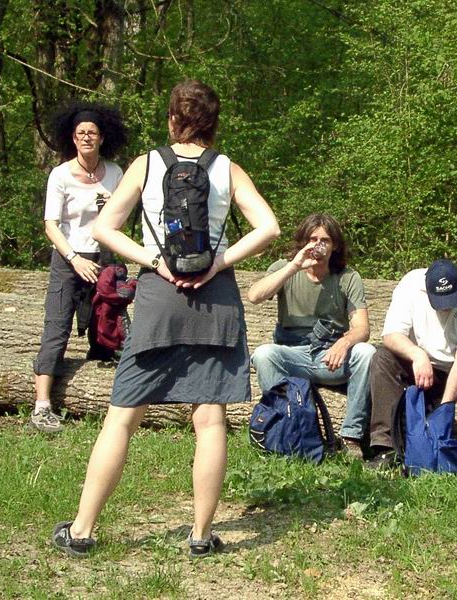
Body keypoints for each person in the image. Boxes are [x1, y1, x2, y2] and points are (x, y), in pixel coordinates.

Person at [51, 80, 280, 558]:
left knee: (122, 417)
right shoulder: (227, 168)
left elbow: (103, 228)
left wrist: (154, 262)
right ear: (213, 123)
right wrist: (218, 263)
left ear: (173, 119)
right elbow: (269, 227)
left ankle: (82, 531)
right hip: (215, 298)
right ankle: (200, 536)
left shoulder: (147, 164)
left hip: (159, 296)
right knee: (210, 419)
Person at [31, 102, 127, 433]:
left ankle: (104, 402)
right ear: (72, 138)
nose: (86, 137)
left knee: (107, 327)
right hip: (68, 259)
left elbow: (121, 218)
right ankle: (41, 406)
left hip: (104, 257)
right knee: (56, 328)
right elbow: (51, 225)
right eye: (81, 133)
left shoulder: (115, 173)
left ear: (103, 138)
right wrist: (74, 258)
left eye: (92, 133)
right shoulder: (60, 175)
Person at [367, 258, 457, 478]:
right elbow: (391, 335)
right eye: (439, 301)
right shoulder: (410, 285)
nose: (445, 307)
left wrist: (443, 412)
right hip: (423, 368)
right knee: (382, 358)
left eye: (450, 300)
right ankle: (385, 450)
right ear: (425, 290)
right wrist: (417, 354)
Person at [247, 214, 375, 458]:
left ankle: (351, 437)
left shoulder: (348, 277)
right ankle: (286, 430)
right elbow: (254, 296)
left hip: (331, 357)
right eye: (312, 239)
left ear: (335, 245)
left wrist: (344, 342)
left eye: (325, 240)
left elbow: (362, 328)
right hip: (293, 355)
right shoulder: (284, 268)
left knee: (366, 353)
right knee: (264, 354)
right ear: (302, 241)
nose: (318, 245)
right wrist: (294, 266)